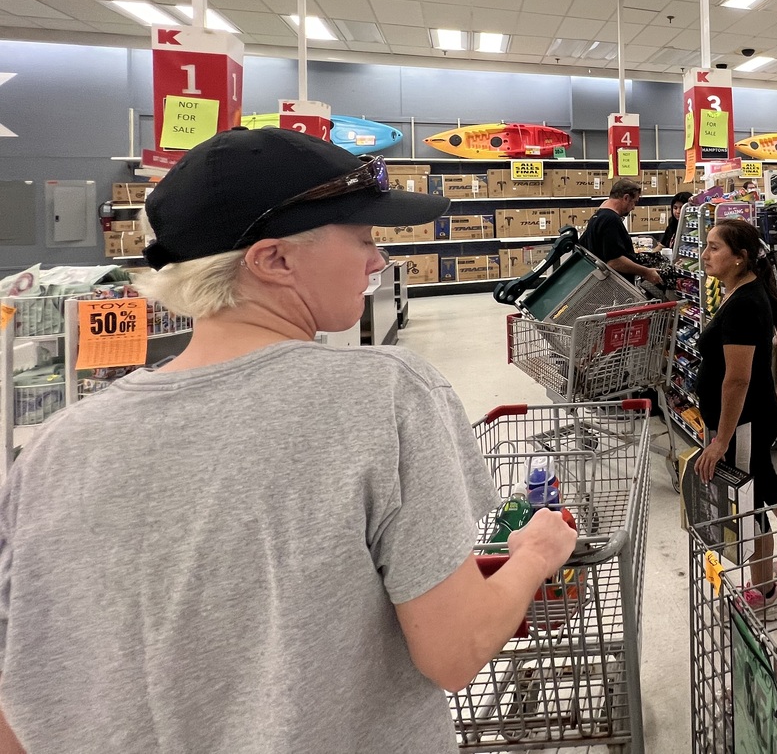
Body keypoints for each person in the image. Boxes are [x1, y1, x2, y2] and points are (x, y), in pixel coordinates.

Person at [0, 127, 578, 753]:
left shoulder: (56, 448)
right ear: (273, 260)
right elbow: (455, 650)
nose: (377, 261)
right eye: (362, 238)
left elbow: (19, 697)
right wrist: (536, 553)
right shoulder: (386, 395)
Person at [693, 218, 777, 610]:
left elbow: (737, 380)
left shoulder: (745, 304)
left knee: (749, 500)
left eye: (715, 247)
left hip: (742, 421)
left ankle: (763, 591)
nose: (705, 253)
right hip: (751, 417)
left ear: (740, 258)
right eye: (706, 244)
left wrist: (721, 440)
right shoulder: (738, 291)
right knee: (765, 481)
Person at [578, 177, 662, 286]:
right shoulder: (610, 220)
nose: (633, 208)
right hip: (612, 289)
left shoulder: (598, 216)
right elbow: (615, 262)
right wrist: (645, 272)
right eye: (634, 202)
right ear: (626, 198)